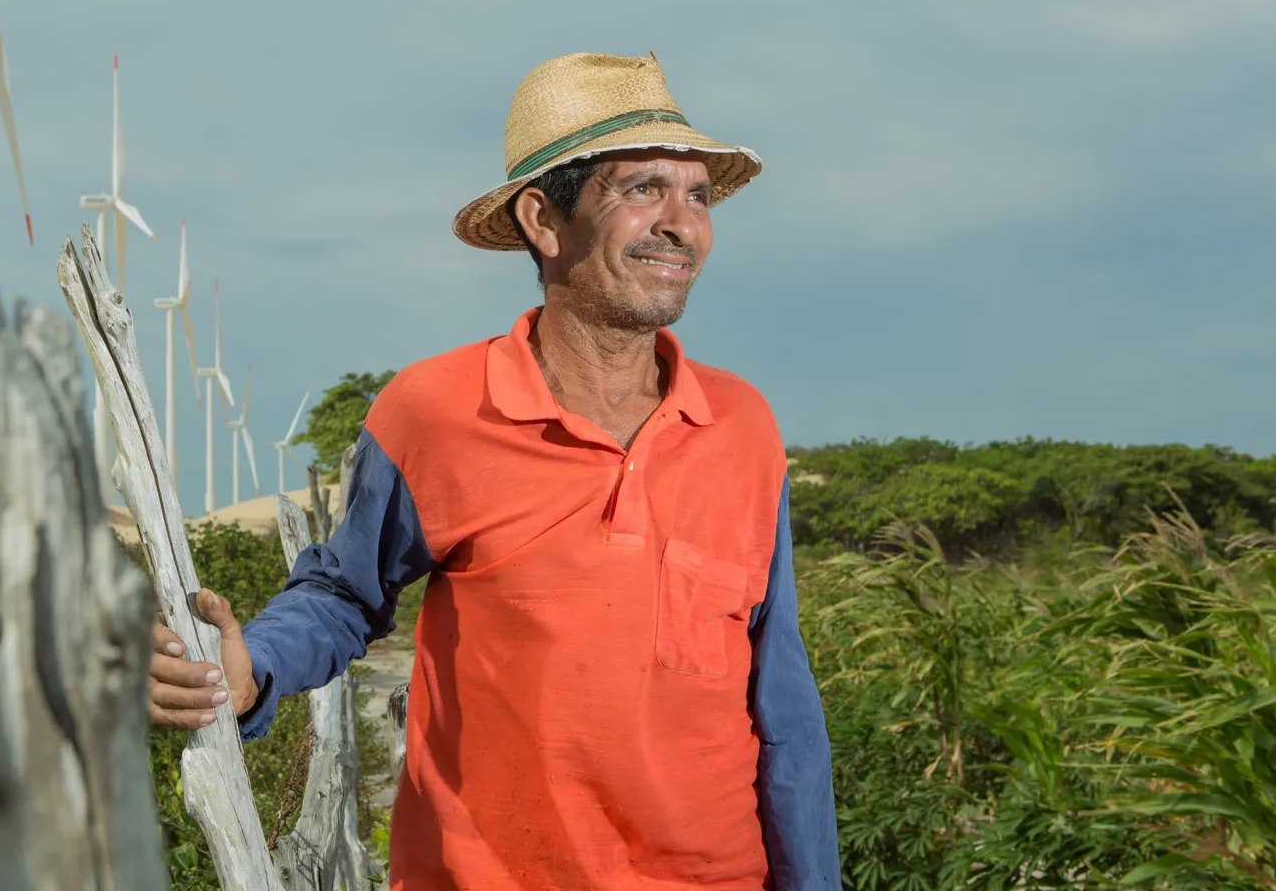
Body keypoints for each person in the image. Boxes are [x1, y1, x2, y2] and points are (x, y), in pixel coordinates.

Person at [152, 52, 841, 890]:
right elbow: (344, 595)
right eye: (642, 189)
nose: (682, 224)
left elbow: (784, 701)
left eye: (697, 195)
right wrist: (252, 667)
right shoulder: (434, 411)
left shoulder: (744, 426)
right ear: (544, 221)